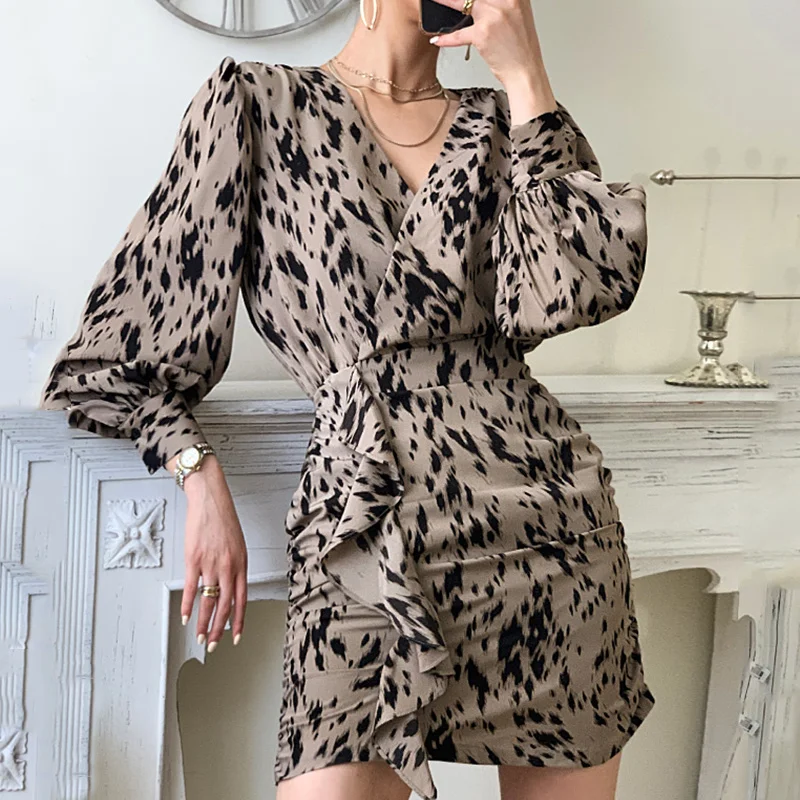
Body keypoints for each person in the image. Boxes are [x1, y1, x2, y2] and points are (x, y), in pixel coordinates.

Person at [39, 0, 656, 795]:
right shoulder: (256, 103)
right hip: (365, 530)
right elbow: (116, 352)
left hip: (549, 533)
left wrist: (528, 76)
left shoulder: (503, 124)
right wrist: (198, 474)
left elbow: (580, 285)